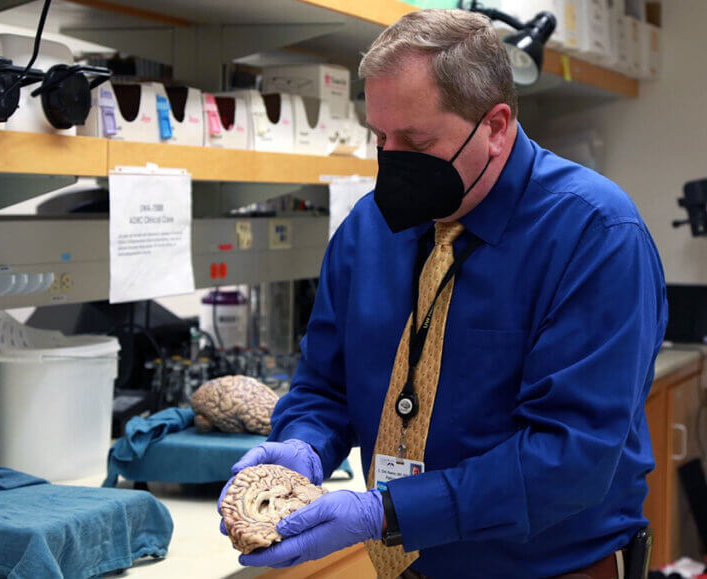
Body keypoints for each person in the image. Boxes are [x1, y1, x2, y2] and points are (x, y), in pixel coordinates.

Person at [219, 9, 667, 578]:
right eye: (382, 137)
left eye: (418, 140)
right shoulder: (368, 229)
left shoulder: (595, 234)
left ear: (496, 126)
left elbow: (570, 457)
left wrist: (386, 511)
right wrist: (305, 444)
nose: (394, 160)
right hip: (408, 568)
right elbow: (324, 386)